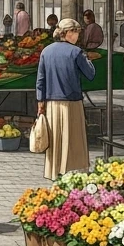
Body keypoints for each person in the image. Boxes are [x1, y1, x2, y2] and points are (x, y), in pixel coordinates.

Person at [35, 18, 97, 179]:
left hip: (51, 102)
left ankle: (54, 170)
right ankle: (73, 171)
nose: (77, 36)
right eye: (76, 32)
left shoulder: (46, 51)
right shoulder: (76, 52)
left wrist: (40, 102)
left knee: (55, 138)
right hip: (72, 102)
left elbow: (40, 81)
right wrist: (87, 58)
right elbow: (90, 74)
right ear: (68, 33)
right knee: (73, 138)